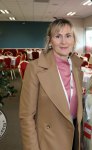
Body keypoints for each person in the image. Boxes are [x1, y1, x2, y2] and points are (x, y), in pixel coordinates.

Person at [19, 18, 83, 150]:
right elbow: (26, 116)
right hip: (49, 142)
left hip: (73, 138)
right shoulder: (35, 68)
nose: (64, 42)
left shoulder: (77, 66)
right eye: (58, 36)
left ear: (74, 40)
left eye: (68, 36)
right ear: (50, 40)